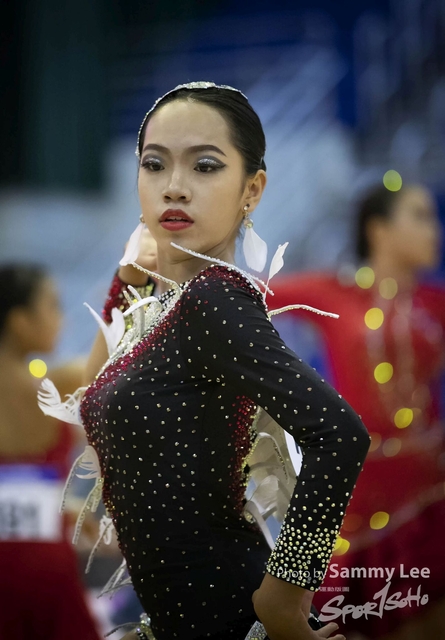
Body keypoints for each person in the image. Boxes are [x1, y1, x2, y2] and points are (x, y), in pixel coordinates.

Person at [49, 82, 370, 640]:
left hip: (232, 619)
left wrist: (284, 593)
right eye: (154, 165)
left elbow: (340, 435)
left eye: (204, 166)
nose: (174, 186)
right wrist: (126, 281)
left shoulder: (213, 299)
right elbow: (91, 395)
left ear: (252, 189)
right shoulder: (170, 305)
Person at [269, 184, 445, 639]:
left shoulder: (435, 303)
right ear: (379, 229)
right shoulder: (332, 292)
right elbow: (245, 295)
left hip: (431, 495)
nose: (435, 230)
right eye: (420, 216)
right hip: (358, 502)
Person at [0, 264, 102, 640]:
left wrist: (63, 506)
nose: (62, 319)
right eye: (53, 306)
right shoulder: (60, 385)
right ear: (19, 321)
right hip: (47, 575)